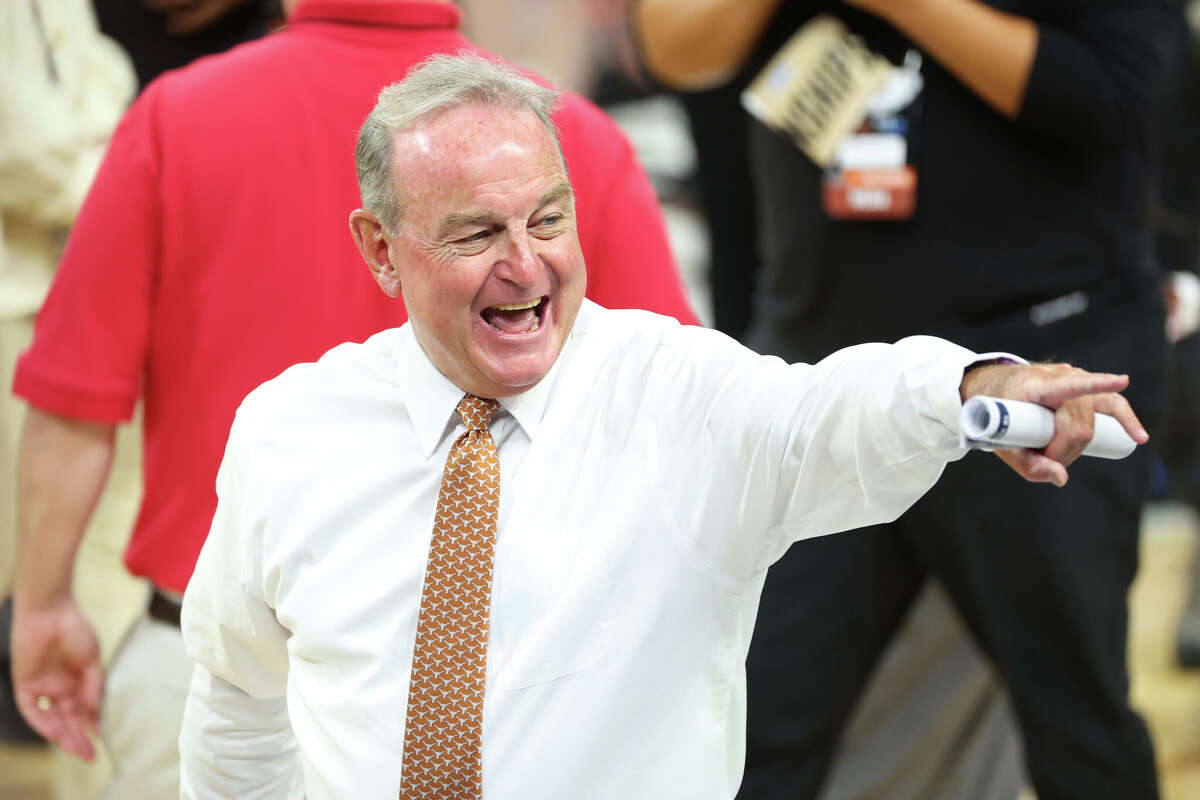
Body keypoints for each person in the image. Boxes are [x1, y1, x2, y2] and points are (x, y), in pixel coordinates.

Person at [176, 53, 1146, 799]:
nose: (526, 265)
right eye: (476, 233)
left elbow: (828, 412)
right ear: (381, 249)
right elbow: (237, 700)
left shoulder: (675, 395)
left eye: (548, 220)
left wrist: (972, 384)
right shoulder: (289, 432)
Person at [8, 1, 697, 796]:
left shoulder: (176, 117)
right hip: (498, 692)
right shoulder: (562, 140)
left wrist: (43, 603)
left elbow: (73, 403)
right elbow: (668, 424)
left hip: (215, 676)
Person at [640, 2, 1178, 799]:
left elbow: (1116, 100)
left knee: (1075, 720)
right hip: (822, 366)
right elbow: (670, 46)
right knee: (753, 721)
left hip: (1037, 358)